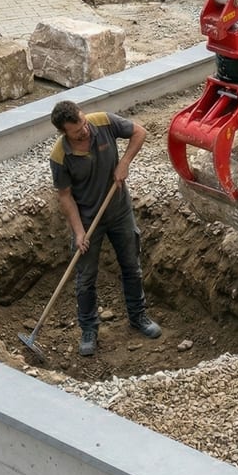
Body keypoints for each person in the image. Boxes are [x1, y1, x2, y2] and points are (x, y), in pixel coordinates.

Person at [49, 99, 162, 356]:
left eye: (83, 123)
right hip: (88, 220)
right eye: (77, 131)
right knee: (86, 277)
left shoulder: (103, 121)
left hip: (119, 211)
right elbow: (65, 196)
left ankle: (138, 316)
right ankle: (89, 329)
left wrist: (125, 162)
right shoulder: (60, 156)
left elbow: (139, 132)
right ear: (64, 133)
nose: (84, 131)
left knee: (131, 266)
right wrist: (79, 231)